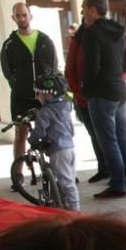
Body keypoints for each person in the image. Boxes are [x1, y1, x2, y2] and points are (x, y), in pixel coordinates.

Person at [80, 0, 126, 198]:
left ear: (92, 10)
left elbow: (91, 67)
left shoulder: (92, 33)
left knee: (108, 140)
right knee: (123, 136)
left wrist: (85, 89)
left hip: (102, 92)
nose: (82, 13)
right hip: (119, 89)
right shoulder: (119, 30)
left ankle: (117, 184)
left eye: (83, 8)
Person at [0, 2, 59, 187]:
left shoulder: (44, 40)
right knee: (20, 134)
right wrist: (19, 85)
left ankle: (57, 171)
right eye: (18, 16)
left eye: (24, 15)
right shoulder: (10, 44)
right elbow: (7, 71)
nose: (22, 18)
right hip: (21, 98)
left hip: (45, 96)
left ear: (30, 16)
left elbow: (54, 66)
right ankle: (18, 175)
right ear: (13, 18)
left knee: (52, 133)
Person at [65, 23, 109, 184]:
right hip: (84, 97)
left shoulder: (102, 36)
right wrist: (78, 93)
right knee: (95, 135)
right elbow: (70, 70)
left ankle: (113, 170)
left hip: (101, 95)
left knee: (107, 136)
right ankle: (105, 168)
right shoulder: (79, 41)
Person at [30, 74, 80, 211]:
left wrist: (32, 140)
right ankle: (69, 205)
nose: (37, 97)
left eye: (38, 94)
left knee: (66, 183)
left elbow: (39, 131)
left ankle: (75, 211)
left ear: (48, 95)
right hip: (69, 147)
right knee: (69, 178)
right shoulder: (66, 105)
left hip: (58, 150)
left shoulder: (45, 112)